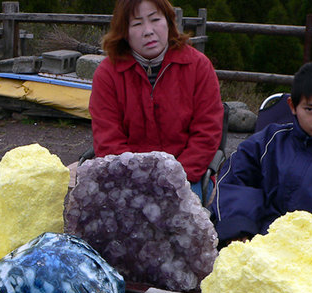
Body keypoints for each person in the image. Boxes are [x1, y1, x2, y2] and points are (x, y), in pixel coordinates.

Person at [211, 61, 312, 250]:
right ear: (293, 106)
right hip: (260, 239)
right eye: (310, 109)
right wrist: (239, 228)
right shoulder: (268, 142)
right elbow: (236, 182)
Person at [89, 0, 224, 200]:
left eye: (155, 19)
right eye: (137, 24)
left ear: (169, 22)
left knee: (175, 224)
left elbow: (207, 133)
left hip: (184, 179)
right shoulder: (107, 74)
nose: (148, 31)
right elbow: (108, 140)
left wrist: (173, 179)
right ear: (124, 32)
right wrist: (139, 183)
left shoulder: (198, 67)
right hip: (126, 181)